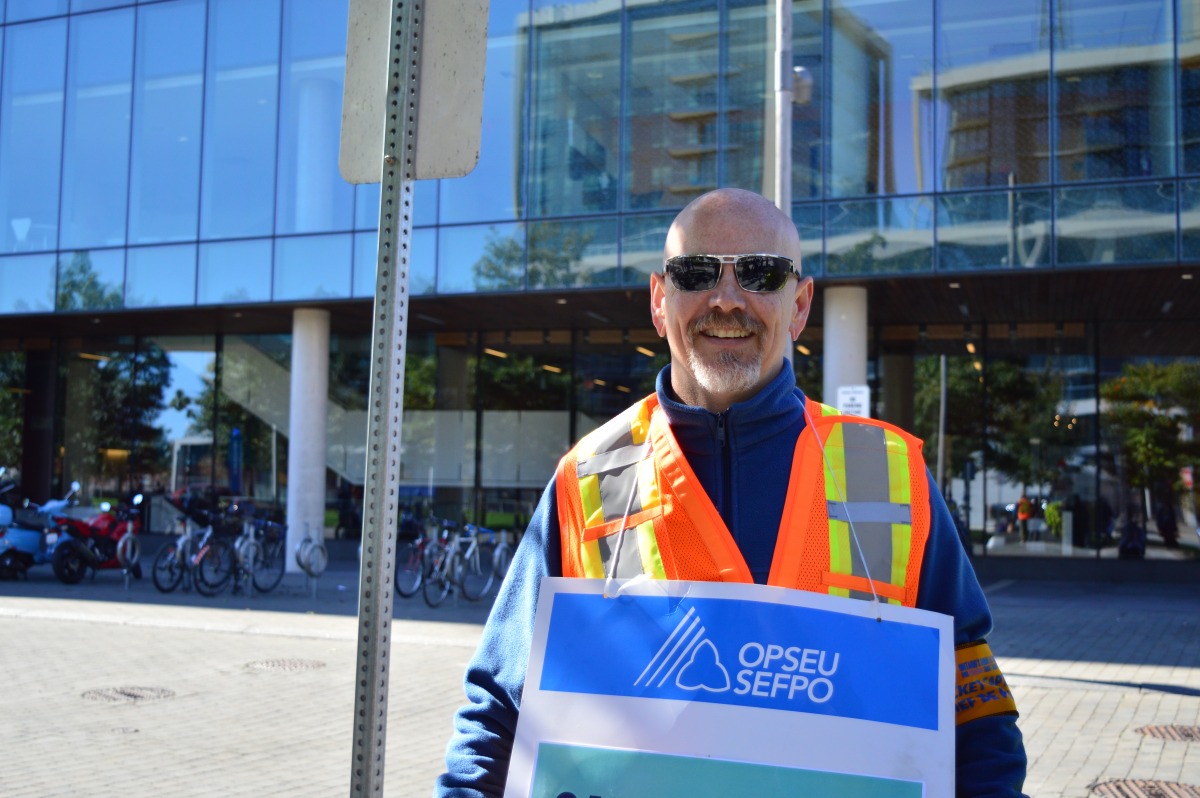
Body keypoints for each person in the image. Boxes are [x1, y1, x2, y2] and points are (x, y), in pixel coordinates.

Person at [435, 188, 1027, 797]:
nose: (726, 299)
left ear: (798, 305)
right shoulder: (587, 479)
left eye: (759, 273)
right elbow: (498, 715)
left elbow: (975, 719)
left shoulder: (888, 474)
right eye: (696, 273)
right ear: (660, 301)